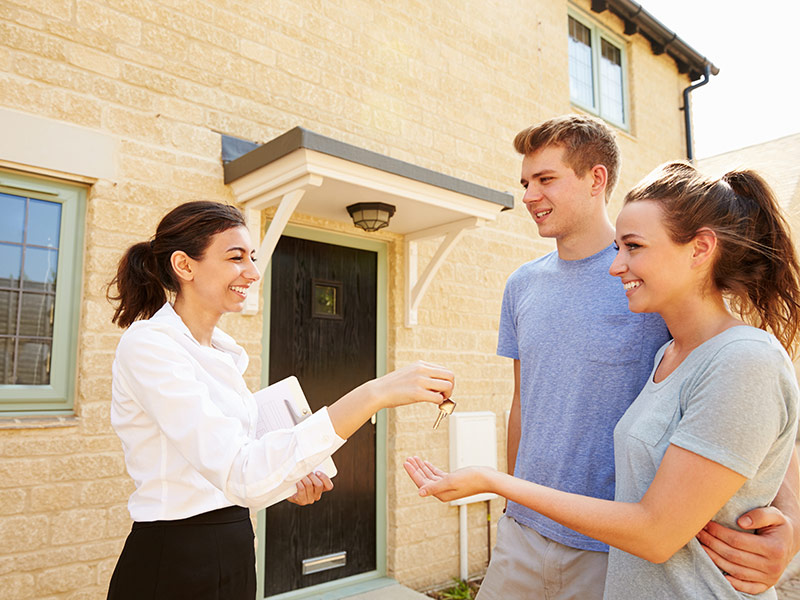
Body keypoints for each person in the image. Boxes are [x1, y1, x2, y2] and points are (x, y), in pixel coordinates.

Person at [418, 115, 800, 599]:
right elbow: (523, 403)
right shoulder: (523, 286)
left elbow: (753, 419)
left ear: (596, 179)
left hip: (614, 548)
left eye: (545, 179)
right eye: (525, 182)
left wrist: (792, 523)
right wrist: (512, 501)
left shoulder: (660, 283)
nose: (529, 195)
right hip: (525, 532)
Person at [104, 200, 455, 600]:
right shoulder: (150, 346)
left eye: (252, 257)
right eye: (235, 257)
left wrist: (285, 481)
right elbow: (240, 474)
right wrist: (374, 394)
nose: (253, 272)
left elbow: (242, 469)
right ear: (184, 265)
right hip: (176, 557)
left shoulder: (222, 353)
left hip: (234, 543)